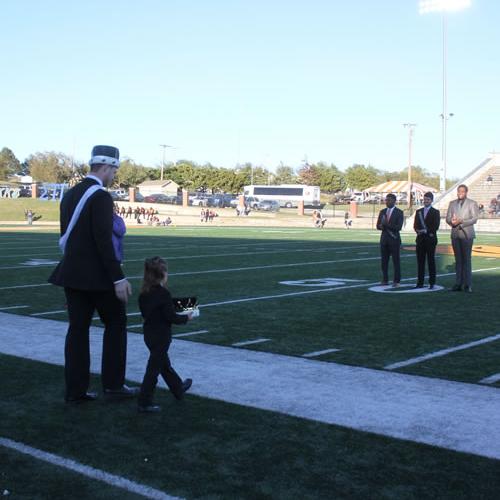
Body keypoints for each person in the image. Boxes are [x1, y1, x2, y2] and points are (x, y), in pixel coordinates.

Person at [48, 145, 138, 403]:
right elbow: (103, 240)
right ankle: (113, 384)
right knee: (116, 324)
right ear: (107, 167)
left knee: (77, 331)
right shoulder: (100, 196)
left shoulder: (70, 194)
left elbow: (68, 234)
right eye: (114, 170)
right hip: (98, 276)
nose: (114, 176)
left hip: (72, 272)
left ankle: (75, 391)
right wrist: (118, 278)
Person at [137, 257, 193, 413]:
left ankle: (178, 388)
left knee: (163, 364)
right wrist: (186, 317)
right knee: (153, 369)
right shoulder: (163, 293)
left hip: (149, 335)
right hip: (161, 336)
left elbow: (149, 311)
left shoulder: (144, 293)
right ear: (162, 274)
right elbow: (171, 317)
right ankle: (144, 401)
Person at [446, 184, 479, 292]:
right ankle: (458, 283)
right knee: (458, 260)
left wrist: (462, 222)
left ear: (466, 192)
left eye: (462, 191)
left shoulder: (472, 203)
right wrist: (452, 222)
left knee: (467, 260)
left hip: (467, 234)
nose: (460, 193)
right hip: (455, 234)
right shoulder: (452, 204)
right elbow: (448, 218)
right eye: (459, 191)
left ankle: (467, 284)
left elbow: (474, 219)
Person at [376, 193, 404, 287]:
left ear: (394, 201)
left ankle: (397, 281)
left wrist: (386, 225)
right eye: (386, 200)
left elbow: (398, 227)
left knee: (396, 261)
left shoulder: (399, 212)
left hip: (394, 240)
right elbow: (378, 226)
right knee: (384, 261)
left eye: (389, 200)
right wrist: (381, 226)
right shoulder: (382, 211)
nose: (386, 202)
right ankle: (385, 279)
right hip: (384, 240)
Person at [413, 192, 440, 289]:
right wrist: (418, 230)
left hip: (430, 240)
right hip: (420, 239)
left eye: (428, 199)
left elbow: (436, 226)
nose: (425, 201)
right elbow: (415, 225)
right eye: (424, 199)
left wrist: (426, 230)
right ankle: (420, 282)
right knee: (420, 262)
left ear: (431, 200)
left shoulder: (435, 212)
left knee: (431, 261)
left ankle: (432, 282)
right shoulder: (418, 211)